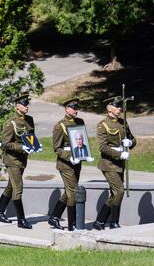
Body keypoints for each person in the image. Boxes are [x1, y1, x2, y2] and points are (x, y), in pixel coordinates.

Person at [94, 96, 137, 230]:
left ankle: (100, 221)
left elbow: (132, 138)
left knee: (114, 194)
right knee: (119, 191)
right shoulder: (103, 125)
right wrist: (119, 154)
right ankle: (114, 222)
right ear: (109, 108)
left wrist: (130, 143)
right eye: (117, 106)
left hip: (120, 164)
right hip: (109, 163)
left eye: (120, 107)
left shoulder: (123, 122)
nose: (120, 109)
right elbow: (102, 147)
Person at [0, 94, 35, 229]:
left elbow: (31, 137)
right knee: (18, 187)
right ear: (17, 106)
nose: (26, 106)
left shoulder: (29, 120)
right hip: (12, 159)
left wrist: (34, 145)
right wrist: (21, 147)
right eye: (24, 104)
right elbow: (5, 143)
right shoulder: (10, 123)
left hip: (23, 159)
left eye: (27, 104)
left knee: (11, 186)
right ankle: (21, 220)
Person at [48, 98, 89, 231]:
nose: (75, 110)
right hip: (66, 164)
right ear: (66, 109)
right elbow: (57, 148)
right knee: (72, 193)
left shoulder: (80, 122)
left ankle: (54, 217)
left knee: (68, 191)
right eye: (73, 107)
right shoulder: (60, 126)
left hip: (77, 162)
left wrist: (85, 154)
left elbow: (82, 141)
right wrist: (70, 157)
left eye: (77, 107)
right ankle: (72, 224)